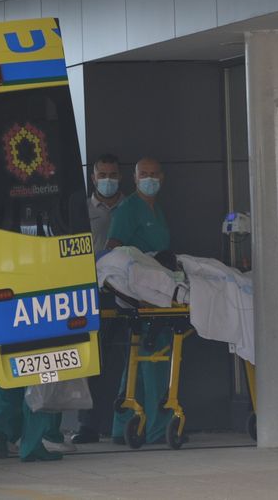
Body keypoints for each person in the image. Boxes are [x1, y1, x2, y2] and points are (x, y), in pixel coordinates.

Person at [106, 157, 174, 445]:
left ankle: (124, 424)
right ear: (134, 179)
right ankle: (158, 428)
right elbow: (114, 250)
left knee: (138, 357)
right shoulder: (129, 209)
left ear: (163, 177)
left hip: (156, 289)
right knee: (153, 356)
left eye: (154, 174)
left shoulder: (155, 209)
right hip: (140, 293)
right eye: (143, 174)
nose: (149, 178)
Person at [71, 154, 124, 444]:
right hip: (92, 293)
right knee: (92, 362)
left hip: (127, 293)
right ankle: (88, 425)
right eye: (102, 174)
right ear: (92, 178)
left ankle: (121, 423)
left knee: (125, 358)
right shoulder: (83, 210)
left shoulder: (131, 208)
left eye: (112, 174)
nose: (107, 179)